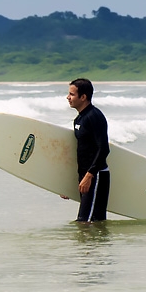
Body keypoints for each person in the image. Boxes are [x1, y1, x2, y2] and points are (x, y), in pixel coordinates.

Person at [65, 78, 110, 222]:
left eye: (72, 94)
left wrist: (89, 176)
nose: (68, 97)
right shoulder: (79, 119)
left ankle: (93, 245)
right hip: (85, 176)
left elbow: (103, 149)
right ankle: (94, 245)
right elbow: (81, 152)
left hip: (96, 176)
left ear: (83, 97)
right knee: (89, 222)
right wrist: (67, 185)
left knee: (86, 222)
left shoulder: (94, 116)